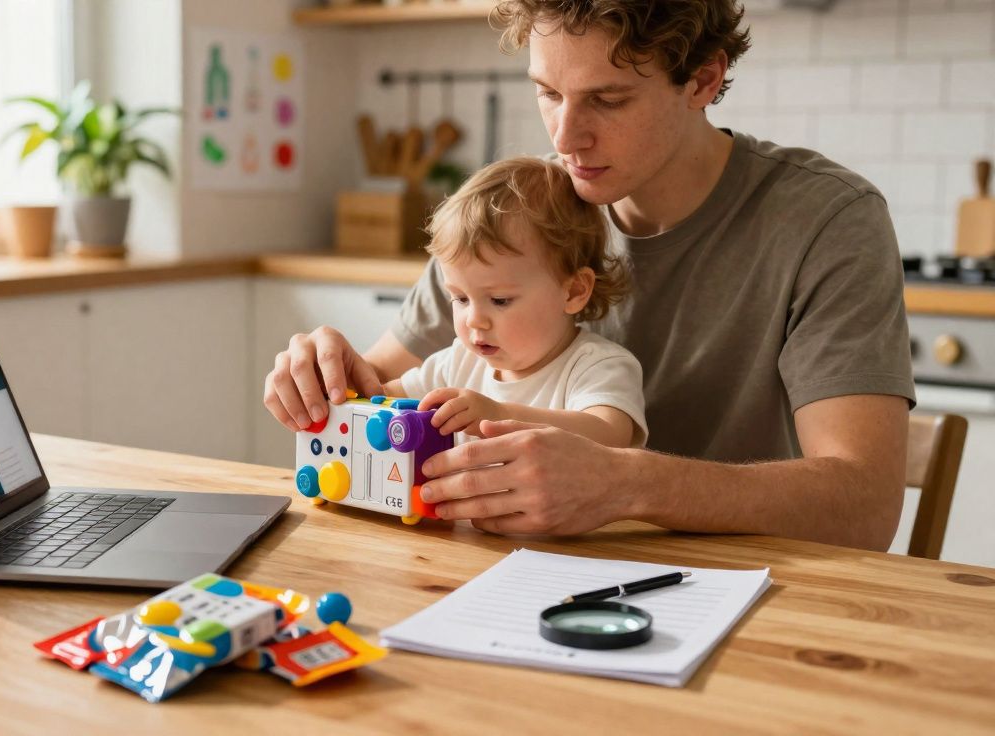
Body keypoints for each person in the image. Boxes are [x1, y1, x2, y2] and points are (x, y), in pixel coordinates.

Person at [263, 0, 914, 551]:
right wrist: (327, 374)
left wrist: (625, 483)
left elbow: (863, 506)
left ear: (703, 81)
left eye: (608, 99)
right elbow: (375, 390)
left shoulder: (827, 220)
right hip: (518, 578)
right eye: (548, 93)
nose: (567, 137)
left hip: (746, 595)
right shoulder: (517, 213)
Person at [381, 155, 647, 450]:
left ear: (573, 292)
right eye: (460, 298)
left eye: (499, 300)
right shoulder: (456, 363)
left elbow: (610, 433)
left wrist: (501, 414)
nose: (473, 320)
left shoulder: (597, 366)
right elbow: (385, 398)